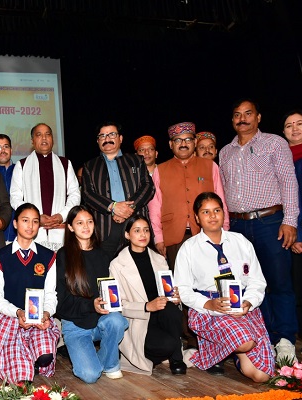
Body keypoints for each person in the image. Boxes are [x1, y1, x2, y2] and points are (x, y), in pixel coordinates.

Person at [220, 99, 299, 362]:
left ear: (258, 117)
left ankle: (285, 341)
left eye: (248, 113)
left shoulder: (274, 143)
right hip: (238, 226)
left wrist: (290, 220)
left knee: (279, 282)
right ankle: (265, 338)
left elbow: (288, 182)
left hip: (270, 223)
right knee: (251, 285)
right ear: (232, 120)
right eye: (237, 115)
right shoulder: (225, 152)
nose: (242, 119)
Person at [174, 192, 274, 382]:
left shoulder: (241, 241)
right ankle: (221, 348)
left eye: (217, 210)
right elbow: (183, 290)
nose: (212, 216)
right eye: (205, 212)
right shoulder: (189, 248)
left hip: (242, 308)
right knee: (246, 342)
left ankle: (227, 351)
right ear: (197, 218)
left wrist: (248, 302)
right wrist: (208, 304)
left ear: (224, 213)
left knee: (261, 376)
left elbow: (257, 281)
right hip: (209, 311)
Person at [0, 203, 60, 383]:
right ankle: (22, 360)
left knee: (46, 356)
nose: (30, 226)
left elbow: (50, 294)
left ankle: (32, 359)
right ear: (15, 223)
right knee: (21, 377)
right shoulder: (1, 256)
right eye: (25, 220)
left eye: (35, 221)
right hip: (10, 318)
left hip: (38, 319)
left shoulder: (48, 256)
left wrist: (46, 314)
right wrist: (18, 312)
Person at [55, 205, 128, 383]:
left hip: (100, 320)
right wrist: (91, 304)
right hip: (75, 324)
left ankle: (110, 363)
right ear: (70, 227)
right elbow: (61, 303)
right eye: (79, 223)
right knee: (90, 375)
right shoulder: (63, 255)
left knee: (117, 320)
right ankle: (100, 359)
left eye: (89, 222)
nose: (86, 226)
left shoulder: (103, 255)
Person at [109, 215, 185, 375]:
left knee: (173, 311)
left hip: (162, 316)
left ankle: (177, 358)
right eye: (137, 231)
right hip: (138, 321)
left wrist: (175, 297)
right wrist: (146, 306)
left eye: (146, 230)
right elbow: (118, 305)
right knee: (167, 344)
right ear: (127, 235)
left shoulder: (159, 259)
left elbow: (167, 292)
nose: (143, 234)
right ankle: (164, 350)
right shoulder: (116, 264)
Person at [148, 122, 228, 269]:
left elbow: (221, 201)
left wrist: (225, 231)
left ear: (195, 142)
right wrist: (158, 238)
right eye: (178, 140)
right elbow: (154, 208)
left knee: (211, 276)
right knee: (180, 279)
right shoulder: (160, 170)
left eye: (188, 139)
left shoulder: (210, 166)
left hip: (207, 234)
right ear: (171, 144)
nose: (183, 144)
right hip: (174, 238)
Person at [82, 122, 155, 258]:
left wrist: (129, 208)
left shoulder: (136, 160)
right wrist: (113, 207)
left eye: (112, 134)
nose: (107, 139)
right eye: (102, 136)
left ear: (120, 138)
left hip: (136, 223)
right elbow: (87, 194)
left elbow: (148, 187)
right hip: (105, 228)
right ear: (98, 141)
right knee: (106, 268)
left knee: (139, 266)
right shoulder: (90, 166)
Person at [10, 123, 80, 251]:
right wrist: (36, 217)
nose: (44, 138)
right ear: (32, 141)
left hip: (60, 229)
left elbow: (75, 194)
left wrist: (62, 216)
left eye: (48, 134)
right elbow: (15, 197)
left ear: (52, 139)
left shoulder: (65, 164)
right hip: (32, 229)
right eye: (39, 135)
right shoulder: (22, 165)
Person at [283, 109, 302, 336]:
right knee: (292, 284)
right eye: (289, 125)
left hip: (298, 230)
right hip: (286, 229)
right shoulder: (280, 156)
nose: (295, 129)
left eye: (299, 123)